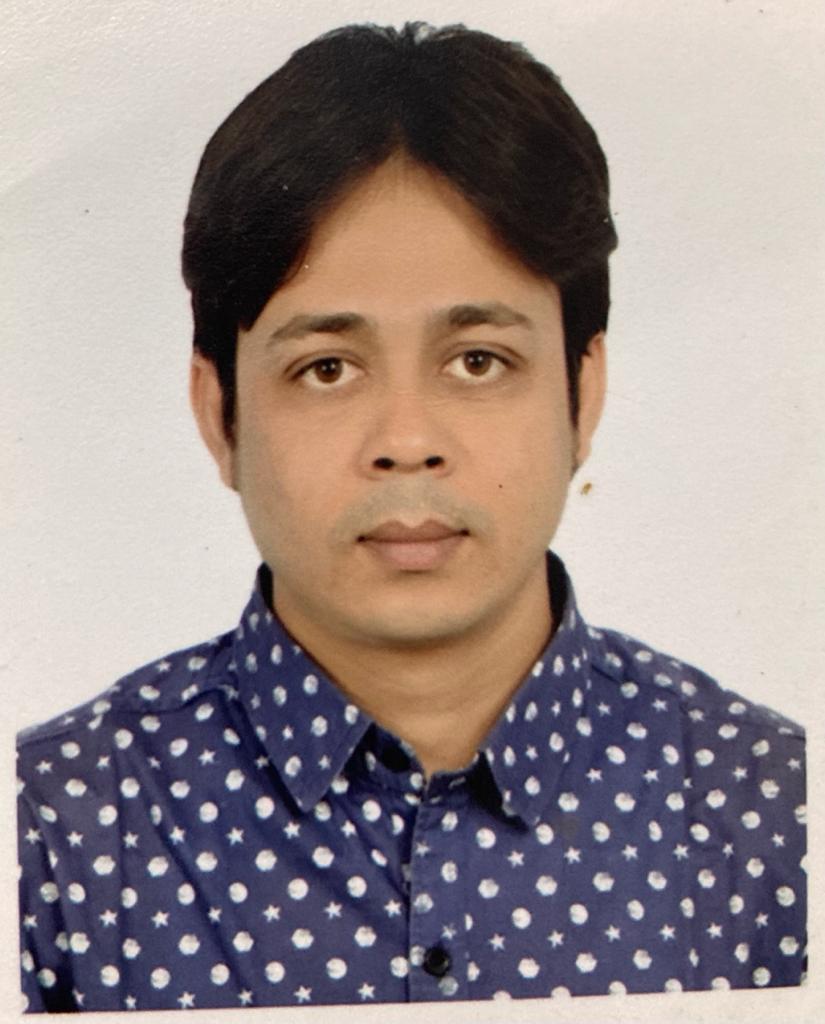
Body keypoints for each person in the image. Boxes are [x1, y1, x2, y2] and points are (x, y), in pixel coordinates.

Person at [16, 21, 806, 1013]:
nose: (406, 440)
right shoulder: (53, 835)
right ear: (220, 414)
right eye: (326, 368)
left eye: (478, 360)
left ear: (583, 395)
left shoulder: (773, 813)